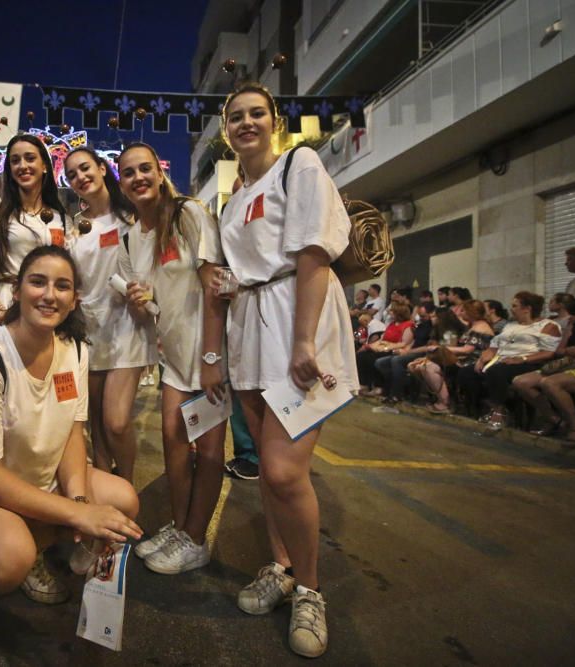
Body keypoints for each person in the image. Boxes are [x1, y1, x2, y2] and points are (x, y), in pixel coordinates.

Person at [0, 246, 141, 655]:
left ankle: (31, 539)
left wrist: (82, 500)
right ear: (16, 291)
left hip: (34, 477)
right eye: (38, 282)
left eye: (62, 286)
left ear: (75, 300)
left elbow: (73, 432)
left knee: (121, 500)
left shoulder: (75, 351)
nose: (49, 295)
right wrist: (78, 514)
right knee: (5, 560)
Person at [213, 82, 359, 658]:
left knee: (282, 471)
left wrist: (304, 341)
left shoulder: (299, 164)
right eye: (235, 117)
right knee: (263, 468)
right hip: (250, 323)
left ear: (274, 122)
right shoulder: (237, 192)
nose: (246, 123)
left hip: (295, 317)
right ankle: (281, 566)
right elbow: (243, 266)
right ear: (226, 130)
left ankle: (312, 591)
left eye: (256, 114)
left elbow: (313, 252)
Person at [116, 142, 227, 577]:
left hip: (209, 350)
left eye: (145, 168)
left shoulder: (188, 214)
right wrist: (139, 302)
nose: (139, 177)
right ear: (122, 184)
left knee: (211, 449)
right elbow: (144, 304)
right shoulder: (131, 237)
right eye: (129, 173)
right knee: (173, 439)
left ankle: (196, 539)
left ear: (160, 173)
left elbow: (216, 287)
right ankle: (182, 527)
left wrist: (213, 357)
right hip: (174, 355)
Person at [64, 146, 154, 482]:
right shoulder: (75, 228)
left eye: (85, 168)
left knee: (116, 421)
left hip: (129, 326)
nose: (80, 177)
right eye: (71, 174)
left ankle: (126, 484)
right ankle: (104, 488)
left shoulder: (132, 214)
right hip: (89, 330)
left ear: (102, 168)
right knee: (97, 422)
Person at [0, 134, 66, 331]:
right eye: (15, 161)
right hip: (9, 301)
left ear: (44, 166)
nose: (22, 166)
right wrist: (0, 312)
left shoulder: (62, 218)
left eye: (30, 158)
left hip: (48, 304)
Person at [458, 291, 561, 429]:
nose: (511, 309)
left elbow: (549, 352)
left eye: (515, 306)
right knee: (467, 372)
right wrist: (482, 359)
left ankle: (499, 412)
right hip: (502, 360)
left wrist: (522, 359)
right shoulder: (510, 325)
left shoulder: (548, 326)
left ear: (527, 308)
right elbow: (494, 345)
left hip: (528, 362)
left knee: (496, 371)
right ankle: (479, 408)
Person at [511, 285, 575, 444]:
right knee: (521, 382)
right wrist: (573, 351)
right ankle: (555, 420)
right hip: (572, 364)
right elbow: (560, 350)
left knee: (550, 383)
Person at [408, 300, 493, 414]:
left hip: (470, 363)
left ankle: (444, 402)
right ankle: (442, 399)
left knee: (428, 367)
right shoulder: (473, 326)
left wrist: (441, 348)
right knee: (419, 366)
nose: (460, 313)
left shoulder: (480, 327)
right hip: (461, 360)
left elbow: (467, 350)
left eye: (463, 310)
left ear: (471, 312)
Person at [373, 303, 444, 404]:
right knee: (380, 362)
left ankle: (396, 394)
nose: (423, 318)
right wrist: (406, 350)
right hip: (414, 350)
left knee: (396, 360)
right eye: (421, 316)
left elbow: (428, 347)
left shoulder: (435, 329)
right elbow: (415, 341)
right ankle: (395, 386)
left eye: (424, 316)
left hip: (424, 353)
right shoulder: (423, 325)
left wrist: (408, 351)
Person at [357, 303, 415, 396]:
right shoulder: (392, 324)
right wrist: (372, 346)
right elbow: (382, 338)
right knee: (361, 356)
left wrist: (386, 347)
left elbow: (404, 343)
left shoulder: (408, 325)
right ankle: (364, 384)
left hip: (394, 348)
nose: (389, 313)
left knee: (372, 358)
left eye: (392, 311)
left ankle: (379, 386)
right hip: (384, 346)